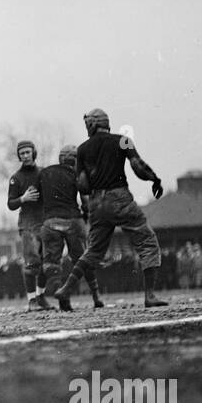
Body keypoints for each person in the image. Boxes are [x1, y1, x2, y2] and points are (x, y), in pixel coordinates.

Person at [53, 109, 168, 309]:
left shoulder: (82, 149)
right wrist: (154, 179)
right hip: (120, 197)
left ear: (92, 125)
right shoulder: (123, 140)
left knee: (93, 251)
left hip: (98, 201)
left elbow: (83, 185)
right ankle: (149, 296)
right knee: (148, 242)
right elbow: (137, 166)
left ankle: (65, 289)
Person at [39, 144, 104, 309]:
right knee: (83, 259)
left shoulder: (44, 173)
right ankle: (96, 296)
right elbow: (85, 201)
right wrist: (87, 216)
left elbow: (36, 197)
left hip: (50, 222)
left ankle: (62, 296)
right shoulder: (77, 174)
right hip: (73, 220)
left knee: (51, 263)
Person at [6, 140, 47, 308]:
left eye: (27, 152)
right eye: (22, 153)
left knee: (47, 263)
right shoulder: (16, 178)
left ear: (33, 153)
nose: (25, 156)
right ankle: (31, 300)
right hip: (27, 223)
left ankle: (41, 297)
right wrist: (23, 198)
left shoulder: (44, 173)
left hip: (44, 222)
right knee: (31, 263)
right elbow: (10, 204)